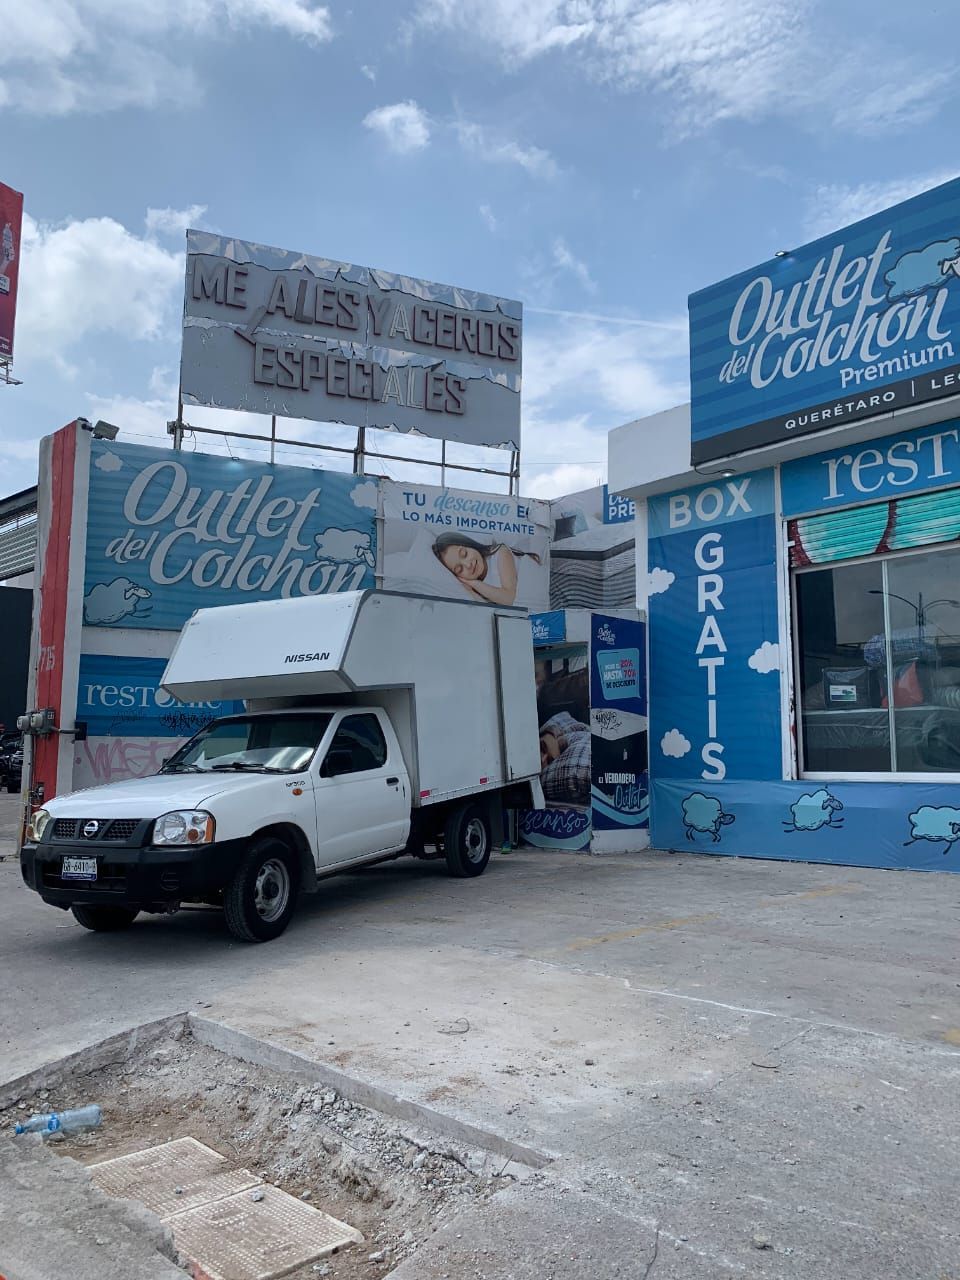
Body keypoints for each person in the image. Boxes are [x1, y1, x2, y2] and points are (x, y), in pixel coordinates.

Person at [432, 532, 541, 606]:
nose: (468, 565)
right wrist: (471, 590)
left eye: (464, 554)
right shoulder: (474, 589)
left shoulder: (500, 552)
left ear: (468, 544)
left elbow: (510, 599)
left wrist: (474, 583)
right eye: (460, 569)